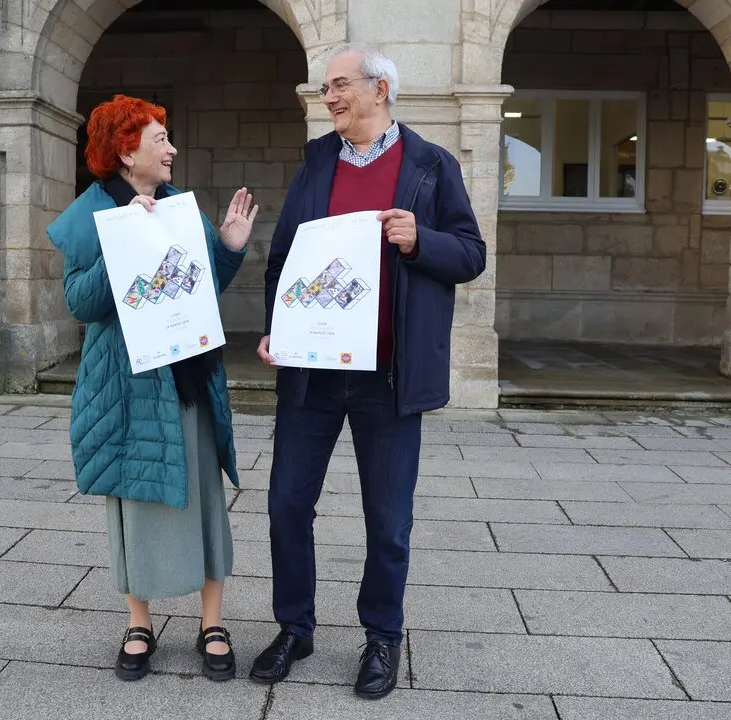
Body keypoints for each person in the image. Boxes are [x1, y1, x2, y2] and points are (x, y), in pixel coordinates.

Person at [250, 43, 486, 699]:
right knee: (286, 507)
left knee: (389, 523)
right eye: (326, 87)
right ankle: (294, 628)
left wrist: (421, 239)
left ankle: (382, 637)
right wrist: (279, 328)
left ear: (380, 89)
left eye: (339, 84)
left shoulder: (431, 167)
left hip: (389, 377)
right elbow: (285, 259)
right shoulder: (315, 162)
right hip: (313, 376)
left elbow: (471, 254)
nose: (328, 96)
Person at [46, 94, 258, 683]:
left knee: (205, 493)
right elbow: (81, 303)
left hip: (189, 371)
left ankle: (211, 622)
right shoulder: (89, 216)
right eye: (160, 138)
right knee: (135, 497)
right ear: (124, 149)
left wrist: (230, 248)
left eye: (168, 137)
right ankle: (138, 623)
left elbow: (201, 287)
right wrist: (123, 245)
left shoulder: (178, 209)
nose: (172, 148)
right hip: (127, 383)